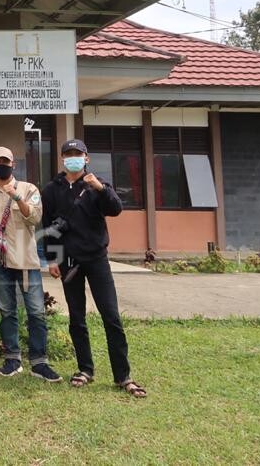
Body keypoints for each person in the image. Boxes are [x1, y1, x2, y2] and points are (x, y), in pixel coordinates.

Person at [42, 139, 147, 398]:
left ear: (86, 158)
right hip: (68, 262)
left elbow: (116, 208)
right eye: (68, 154)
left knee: (111, 316)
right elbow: (48, 227)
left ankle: (123, 375)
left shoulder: (96, 184)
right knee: (77, 318)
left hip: (97, 259)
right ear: (62, 158)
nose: (73, 158)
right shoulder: (52, 189)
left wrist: (100, 188)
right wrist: (52, 259)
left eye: (78, 154)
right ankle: (85, 369)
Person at [0, 147, 62, 382]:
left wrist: (16, 196)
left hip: (26, 261)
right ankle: (12, 359)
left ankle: (39, 362)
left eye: (6, 161)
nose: (1, 165)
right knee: (7, 312)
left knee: (36, 312)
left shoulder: (29, 189)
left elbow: (35, 218)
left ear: (13, 164)